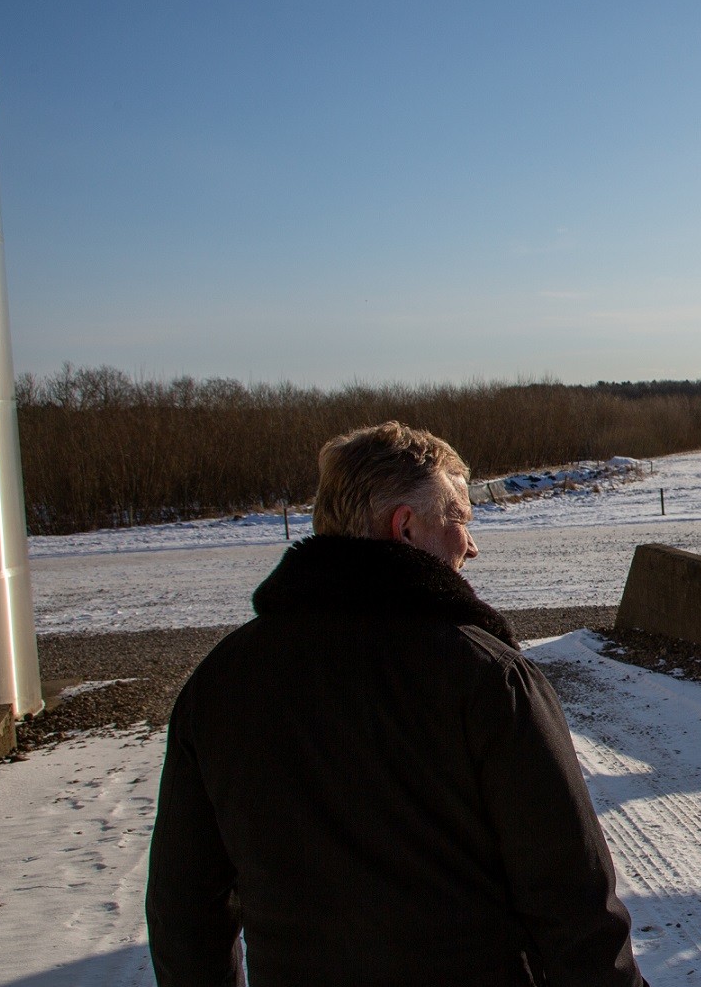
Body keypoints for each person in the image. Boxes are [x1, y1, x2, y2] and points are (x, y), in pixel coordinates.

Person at [147, 422, 646, 987]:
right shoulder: (487, 680)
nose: (472, 545)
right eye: (460, 518)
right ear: (405, 528)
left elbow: (185, 908)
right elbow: (571, 901)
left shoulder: (222, 681)